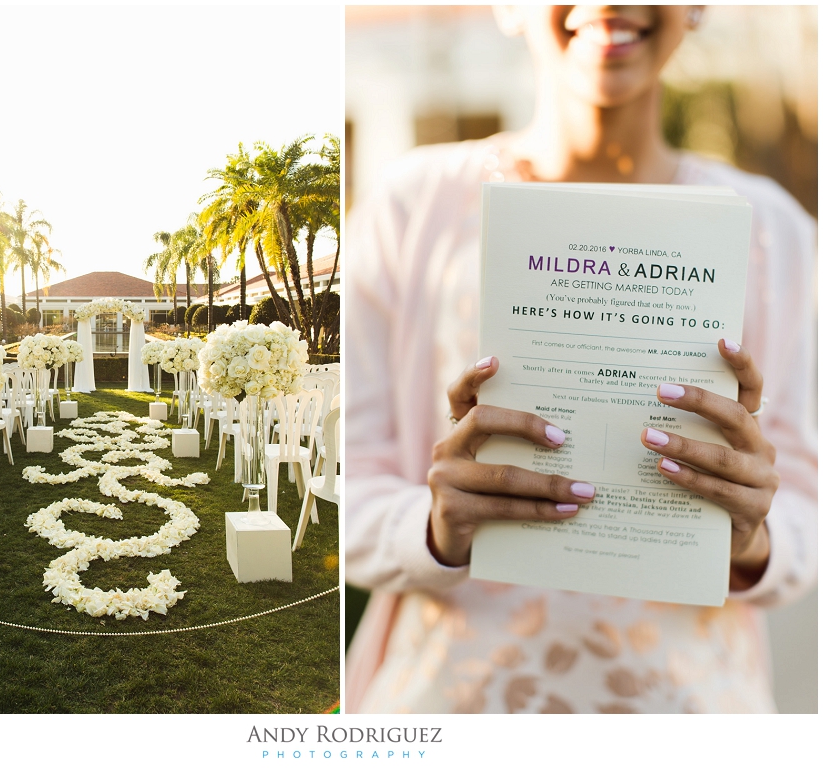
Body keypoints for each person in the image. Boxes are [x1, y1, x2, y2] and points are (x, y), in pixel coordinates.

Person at [345, 5, 817, 713]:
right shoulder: (410, 206)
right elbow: (344, 487)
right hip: (452, 702)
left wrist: (755, 534)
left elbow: (809, 505)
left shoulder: (773, 231)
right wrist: (434, 525)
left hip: (688, 709)